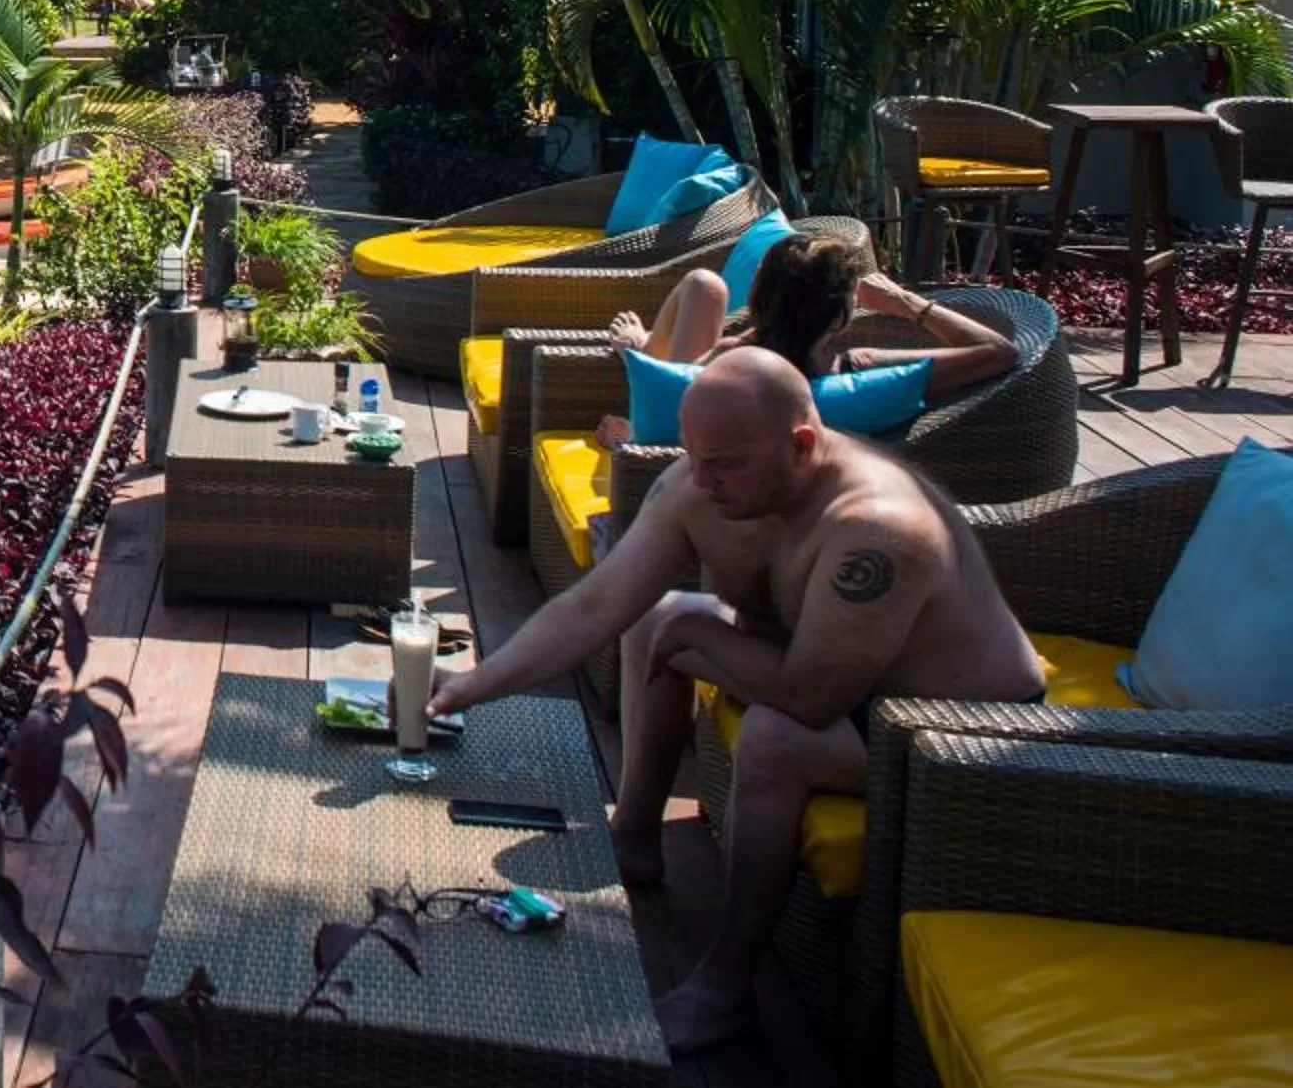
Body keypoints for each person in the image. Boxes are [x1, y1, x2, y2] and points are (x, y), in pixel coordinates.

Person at [431, 348, 1047, 1054]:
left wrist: (699, 630)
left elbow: (813, 700)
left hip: (957, 732)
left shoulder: (874, 529)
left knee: (774, 738)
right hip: (831, 680)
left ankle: (726, 987)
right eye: (694, 457)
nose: (701, 480)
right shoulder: (706, 484)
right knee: (655, 614)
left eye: (724, 464)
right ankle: (634, 832)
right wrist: (473, 685)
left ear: (803, 445)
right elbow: (595, 607)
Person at [594, 231, 1018, 447]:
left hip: (686, 484)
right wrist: (905, 302)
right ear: (842, 315)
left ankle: (638, 351)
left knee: (702, 286)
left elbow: (671, 419)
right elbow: (999, 352)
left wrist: (630, 434)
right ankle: (640, 349)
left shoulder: (729, 361)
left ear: (760, 298)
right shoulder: (865, 371)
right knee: (703, 288)